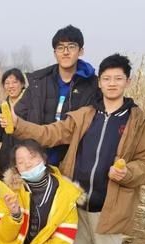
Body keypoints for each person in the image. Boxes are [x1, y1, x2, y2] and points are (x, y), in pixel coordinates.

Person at [1, 54, 145, 244]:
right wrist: (19, 124)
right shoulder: (86, 115)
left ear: (127, 82)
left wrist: (127, 172)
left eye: (118, 78)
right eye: (106, 78)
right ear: (99, 83)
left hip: (109, 206)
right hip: (76, 204)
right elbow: (50, 133)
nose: (112, 83)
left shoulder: (137, 121)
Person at [13, 25, 100, 166]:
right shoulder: (39, 83)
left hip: (73, 163)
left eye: (71, 47)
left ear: (81, 51)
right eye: (60, 48)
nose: (65, 52)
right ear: (55, 53)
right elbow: (16, 117)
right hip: (38, 162)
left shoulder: (93, 86)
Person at [0, 68, 26, 179]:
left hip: (24, 155)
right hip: (6, 157)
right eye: (7, 83)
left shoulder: (30, 103)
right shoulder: (4, 105)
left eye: (14, 82)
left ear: (22, 83)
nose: (10, 86)